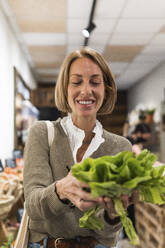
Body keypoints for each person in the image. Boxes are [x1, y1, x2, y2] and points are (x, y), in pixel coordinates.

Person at [23, 47, 139, 248]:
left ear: (106, 89)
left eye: (95, 82)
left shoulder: (121, 147)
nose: (86, 90)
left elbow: (109, 230)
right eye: (77, 82)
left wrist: (114, 213)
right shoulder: (42, 133)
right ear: (65, 88)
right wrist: (61, 190)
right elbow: (32, 206)